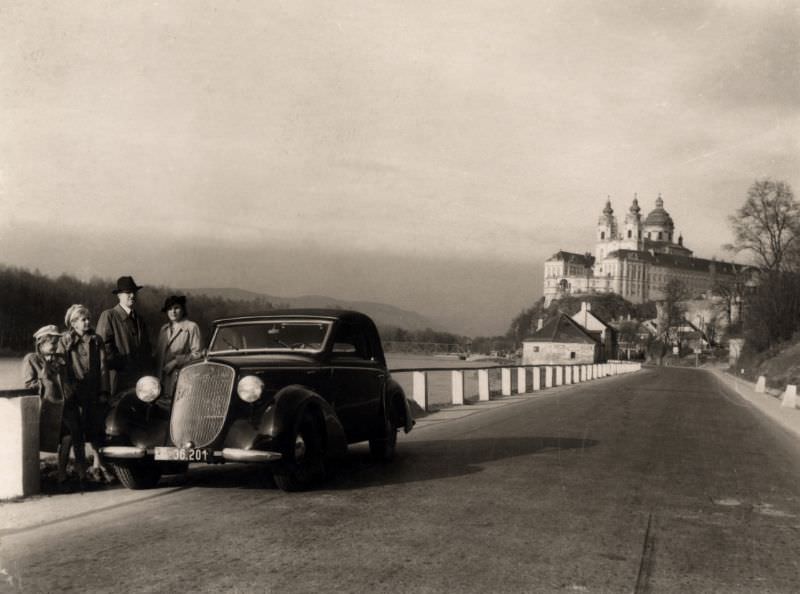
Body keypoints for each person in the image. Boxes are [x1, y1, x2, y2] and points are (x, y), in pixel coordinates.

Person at [22, 325, 87, 489]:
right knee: (59, 440)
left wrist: (71, 389)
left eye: (56, 342)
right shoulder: (32, 359)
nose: (55, 345)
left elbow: (69, 378)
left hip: (68, 406)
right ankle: (60, 475)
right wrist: (44, 379)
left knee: (72, 438)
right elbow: (29, 384)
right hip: (51, 408)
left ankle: (70, 474)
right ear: (41, 343)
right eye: (51, 342)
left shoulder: (60, 358)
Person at [60, 304, 114, 483]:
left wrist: (104, 390)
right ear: (73, 323)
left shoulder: (96, 339)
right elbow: (62, 366)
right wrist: (67, 389)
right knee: (74, 431)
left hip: (93, 390)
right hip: (74, 393)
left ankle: (99, 464)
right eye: (83, 320)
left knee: (96, 428)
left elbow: (103, 367)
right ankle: (75, 470)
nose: (87, 322)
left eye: (88, 319)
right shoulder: (66, 340)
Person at [96, 275, 153, 399]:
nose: (132, 296)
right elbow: (103, 349)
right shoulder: (109, 316)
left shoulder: (139, 319)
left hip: (139, 382)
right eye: (128, 293)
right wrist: (124, 364)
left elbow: (146, 349)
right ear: (119, 295)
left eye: (134, 292)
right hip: (117, 381)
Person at [155, 295, 203, 399]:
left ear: (183, 309)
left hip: (181, 379)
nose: (173, 312)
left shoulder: (191, 327)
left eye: (176, 308)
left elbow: (198, 354)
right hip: (161, 381)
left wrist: (176, 361)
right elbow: (159, 355)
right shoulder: (164, 329)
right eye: (170, 309)